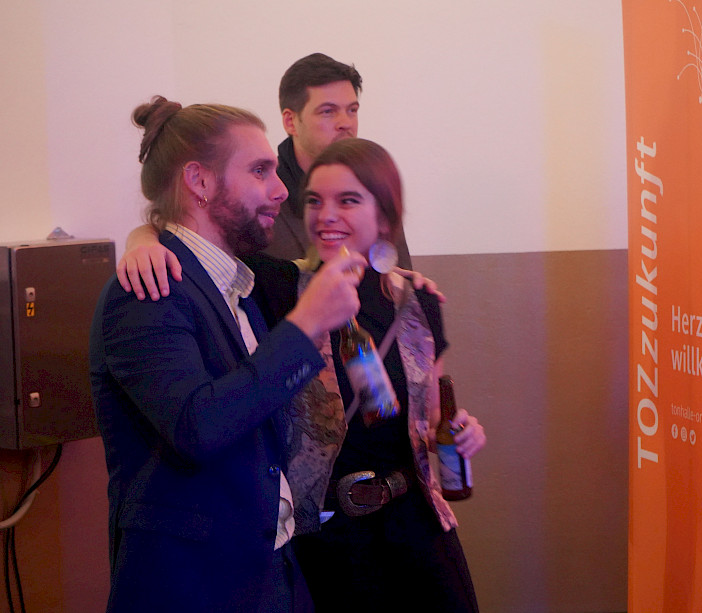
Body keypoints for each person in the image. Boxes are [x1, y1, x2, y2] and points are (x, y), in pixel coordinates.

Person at [119, 138, 486, 612]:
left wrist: (459, 433)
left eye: (347, 201)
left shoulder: (419, 302)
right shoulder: (276, 286)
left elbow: (431, 420)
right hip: (327, 541)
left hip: (417, 532)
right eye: (314, 201)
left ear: (385, 215)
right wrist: (140, 241)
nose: (325, 215)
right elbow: (189, 235)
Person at [90, 95, 366, 613]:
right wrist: (306, 326)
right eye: (260, 170)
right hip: (196, 586)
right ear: (199, 180)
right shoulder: (148, 289)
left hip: (268, 571)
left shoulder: (237, 287)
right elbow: (197, 426)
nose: (281, 189)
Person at [120, 53, 411, 301]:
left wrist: (411, 296)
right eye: (327, 111)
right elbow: (195, 228)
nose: (345, 123)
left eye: (352, 110)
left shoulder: (373, 187)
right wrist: (143, 239)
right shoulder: (258, 198)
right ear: (290, 121)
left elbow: (398, 277)